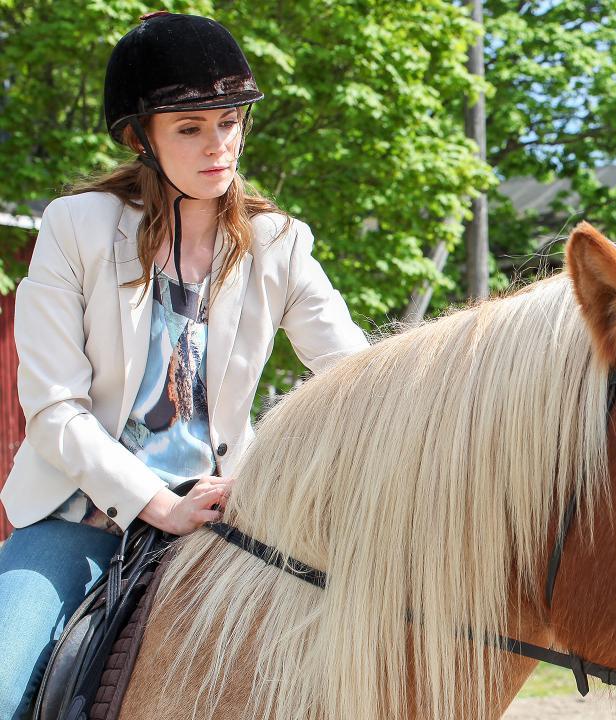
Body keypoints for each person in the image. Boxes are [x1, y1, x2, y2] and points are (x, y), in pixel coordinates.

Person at [0, 12, 368, 718]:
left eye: (229, 122)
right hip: (82, 516)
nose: (219, 146)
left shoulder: (278, 244)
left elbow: (355, 376)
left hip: (224, 514)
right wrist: (155, 503)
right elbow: (53, 410)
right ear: (142, 137)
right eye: (191, 128)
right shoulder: (74, 228)